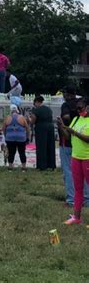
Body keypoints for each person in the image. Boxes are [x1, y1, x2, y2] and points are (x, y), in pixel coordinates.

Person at [58, 96, 89, 225]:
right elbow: (69, 137)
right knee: (78, 188)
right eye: (77, 108)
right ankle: (76, 217)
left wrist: (74, 132)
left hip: (87, 158)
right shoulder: (76, 119)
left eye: (80, 107)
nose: (78, 110)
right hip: (76, 157)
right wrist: (62, 127)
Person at [30, 95, 56, 170]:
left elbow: (33, 121)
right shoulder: (48, 109)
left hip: (41, 128)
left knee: (41, 147)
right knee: (50, 146)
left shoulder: (36, 110)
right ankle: (51, 165)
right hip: (50, 127)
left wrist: (29, 120)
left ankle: (42, 165)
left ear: (37, 102)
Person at [3, 104, 30, 170]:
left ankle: (10, 166)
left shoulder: (7, 118)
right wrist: (27, 137)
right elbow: (27, 128)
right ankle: (23, 166)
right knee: (22, 152)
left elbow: (3, 128)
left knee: (11, 152)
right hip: (21, 138)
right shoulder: (22, 117)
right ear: (17, 110)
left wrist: (6, 136)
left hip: (10, 138)